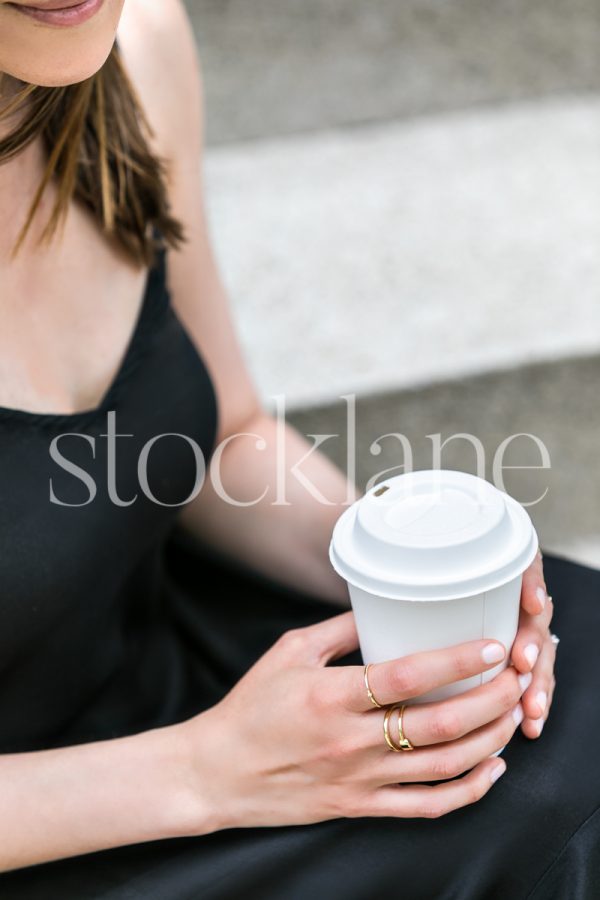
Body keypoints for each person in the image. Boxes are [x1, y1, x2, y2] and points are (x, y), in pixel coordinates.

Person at [0, 1, 598, 897]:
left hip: (173, 673)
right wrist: (208, 772)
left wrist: (403, 567)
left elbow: (226, 432)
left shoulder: (133, 47)